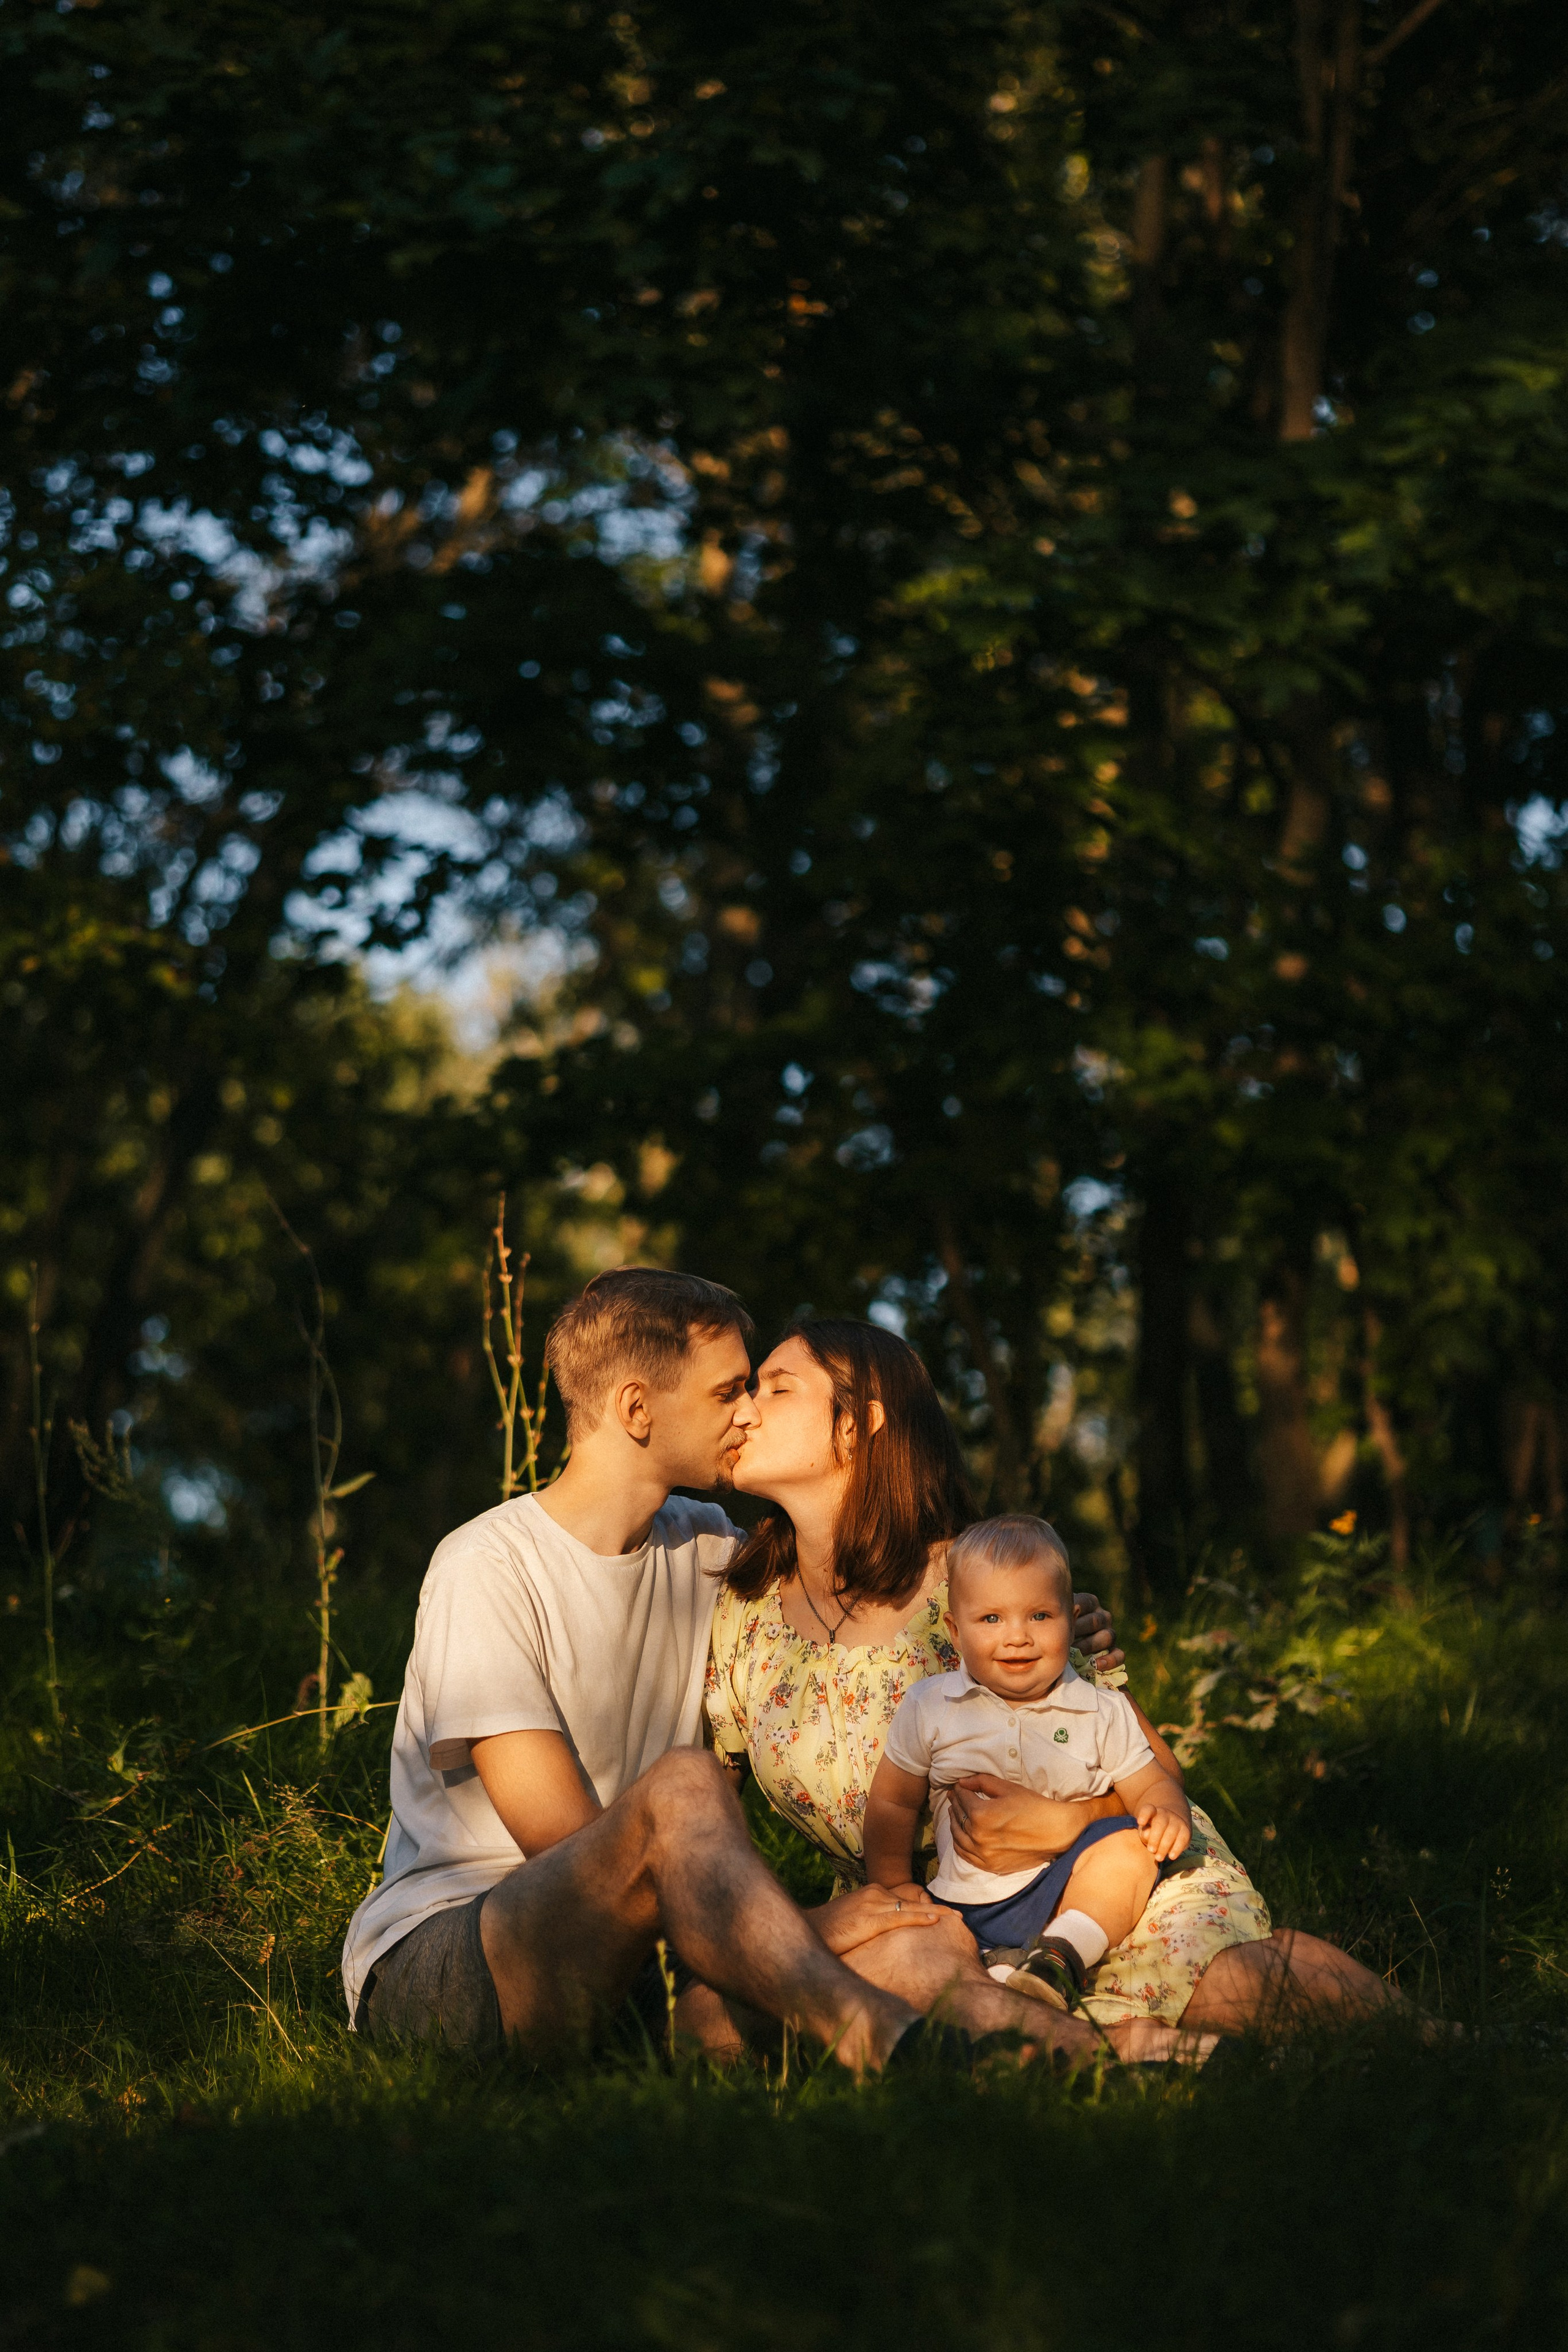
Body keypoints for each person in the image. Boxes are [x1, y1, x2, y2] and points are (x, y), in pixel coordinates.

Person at [707, 1316, 1406, 2047]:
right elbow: (716, 1832)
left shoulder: (980, 1585)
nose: (746, 1408)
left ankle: (1469, 2050)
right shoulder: (747, 1614)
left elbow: (1154, 1776)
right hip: (921, 1912)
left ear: (860, 1425)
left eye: (776, 1388)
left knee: (1233, 1988)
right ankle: (1116, 2056)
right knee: (714, 2021)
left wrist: (1071, 1815)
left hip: (1094, 1879)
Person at [341, 1269, 938, 2075]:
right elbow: (574, 1855)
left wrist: (1023, 1610)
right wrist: (820, 1930)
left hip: (634, 1976)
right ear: (636, 1409)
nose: (750, 1413)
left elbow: (863, 1585)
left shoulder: (710, 1548)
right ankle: (878, 2040)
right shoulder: (487, 1565)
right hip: (456, 1964)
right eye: (729, 1391)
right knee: (685, 1784)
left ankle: (1102, 2062)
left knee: (912, 1949)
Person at [865, 1513, 1193, 2014]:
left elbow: (1151, 1783)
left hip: (1067, 1891)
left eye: (1039, 1616)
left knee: (1130, 1851)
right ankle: (1003, 1978)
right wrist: (893, 1884)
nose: (1017, 1637)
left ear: (1071, 1616)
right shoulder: (932, 1706)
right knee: (930, 1962)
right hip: (962, 1902)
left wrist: (1167, 1811)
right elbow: (891, 1800)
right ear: (955, 1631)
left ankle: (1060, 1957)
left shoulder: (1099, 1709)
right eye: (991, 1619)